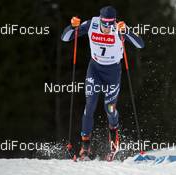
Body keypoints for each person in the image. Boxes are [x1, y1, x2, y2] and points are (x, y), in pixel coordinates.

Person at [61, 6, 144, 160]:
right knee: (90, 105)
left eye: (110, 23)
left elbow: (140, 44)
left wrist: (126, 31)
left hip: (113, 73)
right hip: (95, 70)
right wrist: (72, 26)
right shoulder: (92, 24)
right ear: (100, 20)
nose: (107, 27)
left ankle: (114, 147)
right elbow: (65, 38)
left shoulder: (118, 28)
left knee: (110, 109)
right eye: (104, 23)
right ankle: (85, 148)